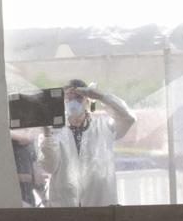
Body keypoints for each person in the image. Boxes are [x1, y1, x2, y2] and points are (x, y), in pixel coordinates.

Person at [38, 79, 136, 207]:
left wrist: (101, 96)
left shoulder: (104, 126)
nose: (73, 102)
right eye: (68, 98)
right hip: (65, 205)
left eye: (78, 98)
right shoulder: (53, 132)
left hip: (99, 203)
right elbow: (49, 167)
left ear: (88, 101)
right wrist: (47, 134)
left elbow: (128, 118)